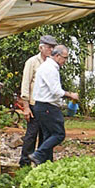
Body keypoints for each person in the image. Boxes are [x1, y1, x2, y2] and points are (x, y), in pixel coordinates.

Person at [28, 44, 78, 165]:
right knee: (59, 134)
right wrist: (70, 95)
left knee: (48, 136)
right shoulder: (50, 69)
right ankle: (38, 154)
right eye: (64, 58)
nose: (65, 61)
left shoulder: (46, 66)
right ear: (56, 56)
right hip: (48, 106)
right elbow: (56, 91)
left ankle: (45, 163)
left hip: (41, 105)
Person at [18, 35, 57, 167]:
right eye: (48, 47)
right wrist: (26, 107)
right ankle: (24, 163)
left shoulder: (53, 63)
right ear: (41, 47)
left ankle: (44, 164)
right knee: (31, 135)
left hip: (48, 106)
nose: (51, 49)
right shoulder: (32, 62)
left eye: (53, 47)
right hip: (35, 105)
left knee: (46, 135)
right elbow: (25, 84)